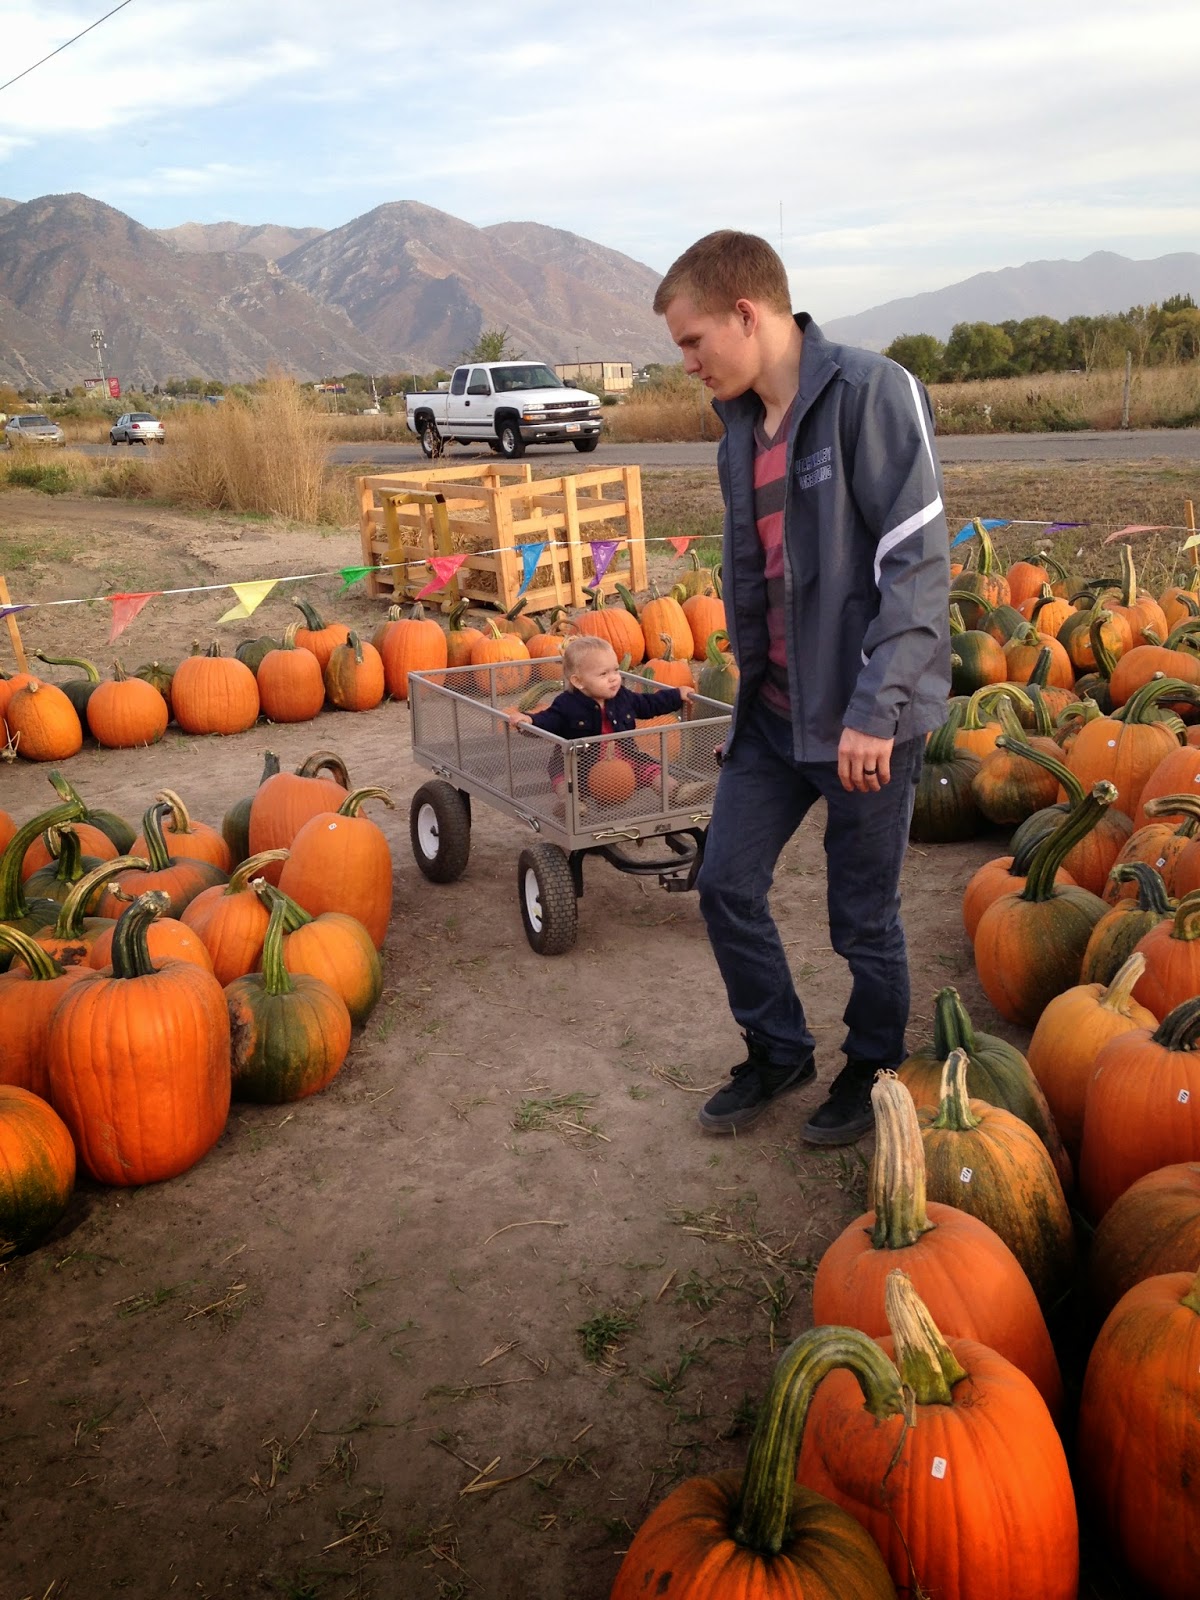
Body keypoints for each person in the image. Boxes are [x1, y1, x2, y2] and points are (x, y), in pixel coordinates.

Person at [652, 230, 951, 1145]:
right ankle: (778, 1048)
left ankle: (873, 1066)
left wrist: (876, 711)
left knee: (862, 918)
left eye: (694, 340)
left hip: (866, 722)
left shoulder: (871, 392)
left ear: (746, 313)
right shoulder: (739, 432)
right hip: (777, 715)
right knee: (725, 884)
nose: (689, 362)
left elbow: (916, 567)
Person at [509, 635, 695, 807]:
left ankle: (676, 791)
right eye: (603, 674)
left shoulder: (622, 697)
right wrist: (530, 720)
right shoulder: (567, 703)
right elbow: (549, 720)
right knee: (563, 779)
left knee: (652, 769)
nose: (613, 678)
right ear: (578, 681)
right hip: (580, 765)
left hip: (624, 760)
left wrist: (676, 695)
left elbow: (649, 703)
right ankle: (570, 804)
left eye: (616, 670)